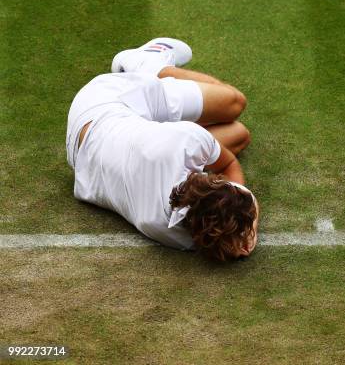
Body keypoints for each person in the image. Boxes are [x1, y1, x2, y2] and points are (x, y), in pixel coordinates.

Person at [66, 38, 258, 261]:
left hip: (96, 114)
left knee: (236, 122)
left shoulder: (187, 144)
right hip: (93, 130)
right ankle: (148, 63)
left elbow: (231, 173)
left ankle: (153, 76)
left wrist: (245, 223)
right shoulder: (167, 228)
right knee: (236, 110)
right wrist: (245, 232)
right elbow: (230, 167)